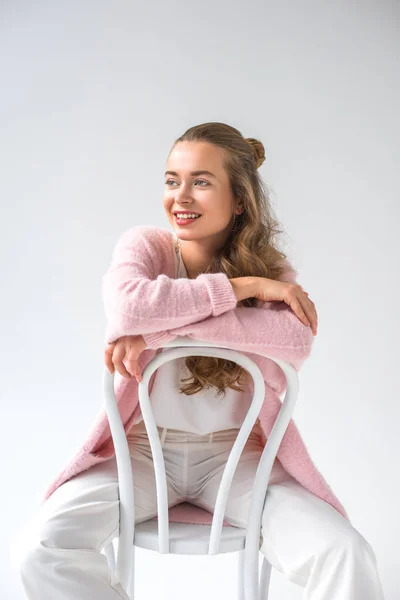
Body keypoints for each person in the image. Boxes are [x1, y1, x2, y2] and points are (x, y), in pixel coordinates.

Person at [13, 122, 385, 599]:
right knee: (40, 549)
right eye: (172, 180)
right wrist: (243, 291)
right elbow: (128, 306)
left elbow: (292, 341)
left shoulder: (272, 268)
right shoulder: (147, 246)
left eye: (201, 182)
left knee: (344, 553)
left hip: (239, 456)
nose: (181, 197)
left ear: (239, 200)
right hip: (143, 452)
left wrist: (155, 326)